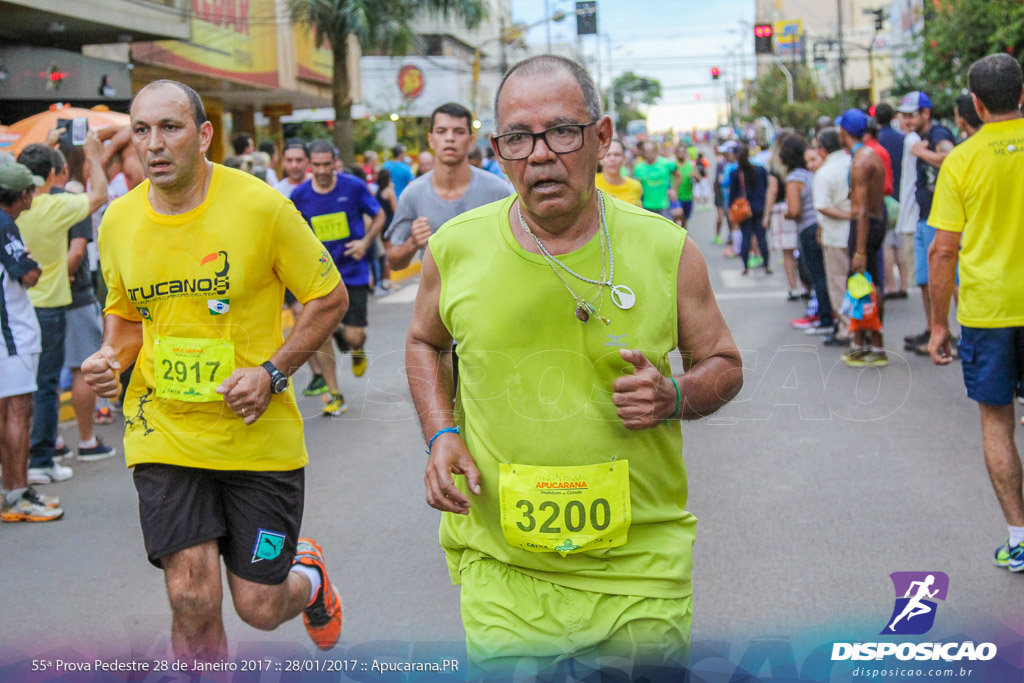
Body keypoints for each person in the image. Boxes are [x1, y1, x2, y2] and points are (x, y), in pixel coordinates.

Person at [405, 55, 743, 678]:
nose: (540, 154)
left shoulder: (664, 247)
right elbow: (424, 342)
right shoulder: (456, 248)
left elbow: (723, 362)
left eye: (562, 132)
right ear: (500, 152)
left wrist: (674, 394)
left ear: (602, 137)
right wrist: (440, 433)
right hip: (504, 569)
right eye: (518, 138)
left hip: (639, 571)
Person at [81, 79, 348, 658]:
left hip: (258, 438)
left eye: (170, 128)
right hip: (165, 430)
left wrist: (273, 374)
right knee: (191, 596)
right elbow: (126, 319)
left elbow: (328, 298)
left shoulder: (261, 207)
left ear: (204, 135)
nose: (154, 144)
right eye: (142, 129)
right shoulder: (118, 221)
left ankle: (310, 580)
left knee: (258, 606)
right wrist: (108, 358)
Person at [927, 53, 1024, 571]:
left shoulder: (961, 161)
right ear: (1023, 95)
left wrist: (939, 324)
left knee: (997, 422)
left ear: (978, 104)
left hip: (989, 312)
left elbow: (943, 250)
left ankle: (1019, 537)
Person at [16, 138, 108, 485]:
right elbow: (99, 195)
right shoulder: (55, 208)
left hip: (15, 308)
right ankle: (41, 458)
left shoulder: (12, 207)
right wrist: (94, 157)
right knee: (46, 385)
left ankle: (28, 457)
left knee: (22, 388)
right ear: (54, 173)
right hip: (51, 308)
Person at [291, 139, 385, 416]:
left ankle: (354, 346)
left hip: (352, 272)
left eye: (326, 164)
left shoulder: (353, 187)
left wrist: (365, 243)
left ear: (335, 162)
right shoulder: (299, 195)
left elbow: (378, 215)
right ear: (310, 165)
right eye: (316, 165)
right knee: (319, 331)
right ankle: (335, 394)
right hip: (318, 276)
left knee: (355, 336)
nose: (321, 170)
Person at [0, 162, 62, 522]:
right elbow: (28, 274)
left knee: (9, 412)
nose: (34, 196)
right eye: (31, 192)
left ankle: (13, 492)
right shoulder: (6, 226)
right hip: (13, 336)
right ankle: (17, 495)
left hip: (8, 334)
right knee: (18, 413)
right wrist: (32, 264)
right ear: (22, 195)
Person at [385, 103, 512, 272]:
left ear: (470, 140)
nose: (450, 138)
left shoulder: (498, 191)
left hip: (490, 295)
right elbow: (394, 262)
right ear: (431, 139)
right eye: (441, 131)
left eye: (459, 132)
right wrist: (413, 242)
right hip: (436, 297)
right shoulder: (413, 194)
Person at [50, 149, 116, 461]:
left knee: (45, 372)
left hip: (39, 298)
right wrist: (93, 153)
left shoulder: (26, 204)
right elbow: (76, 253)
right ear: (58, 171)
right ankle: (87, 440)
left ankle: (50, 441)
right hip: (74, 297)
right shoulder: (71, 202)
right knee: (82, 368)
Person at [899, 91, 956, 355]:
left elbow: (949, 157)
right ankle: (933, 329)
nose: (908, 120)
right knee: (924, 279)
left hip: (940, 217)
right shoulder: (920, 139)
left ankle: (957, 334)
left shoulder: (938, 134)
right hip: (923, 216)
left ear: (926, 114)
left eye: (912, 115)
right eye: (905, 115)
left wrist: (921, 152)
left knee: (946, 277)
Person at [836, 108, 888, 367]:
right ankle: (862, 344)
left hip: (865, 225)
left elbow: (863, 209)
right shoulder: (868, 155)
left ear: (843, 131)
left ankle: (873, 346)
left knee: (862, 284)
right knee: (864, 284)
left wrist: (859, 250)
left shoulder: (861, 161)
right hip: (873, 222)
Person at [811, 128, 852, 343]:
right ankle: (861, 326)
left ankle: (847, 328)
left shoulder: (825, 173)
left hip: (836, 235)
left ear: (823, 150)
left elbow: (823, 207)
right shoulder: (852, 162)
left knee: (838, 282)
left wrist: (847, 214)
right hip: (856, 233)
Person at [728, 144, 770, 275]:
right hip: (759, 207)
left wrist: (731, 208)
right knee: (761, 237)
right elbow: (766, 187)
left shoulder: (736, 173)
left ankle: (745, 266)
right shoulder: (760, 170)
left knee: (746, 237)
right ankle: (766, 265)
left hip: (744, 210)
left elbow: (732, 194)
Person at [632, 140, 679, 219]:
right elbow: (635, 186)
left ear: (656, 151)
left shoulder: (666, 163)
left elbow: (678, 175)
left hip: (664, 205)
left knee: (665, 230)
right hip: (646, 205)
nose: (649, 153)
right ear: (643, 152)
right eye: (646, 151)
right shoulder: (638, 168)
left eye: (651, 150)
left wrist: (674, 189)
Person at [594, 139, 643, 206]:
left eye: (617, 155)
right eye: (608, 155)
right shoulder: (592, 185)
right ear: (600, 160)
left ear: (624, 158)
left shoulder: (636, 186)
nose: (613, 159)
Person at [671, 145, 700, 228]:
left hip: (688, 196)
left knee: (685, 219)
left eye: (682, 152)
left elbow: (699, 179)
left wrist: (695, 176)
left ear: (685, 153)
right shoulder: (672, 165)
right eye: (679, 152)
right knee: (677, 217)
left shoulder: (691, 165)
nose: (681, 154)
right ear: (675, 154)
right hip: (676, 197)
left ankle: (683, 235)